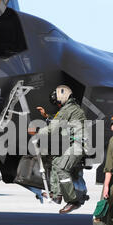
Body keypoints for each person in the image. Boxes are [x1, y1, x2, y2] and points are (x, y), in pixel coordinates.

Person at [33, 85, 87, 214]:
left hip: (78, 145)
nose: (57, 105)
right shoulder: (70, 108)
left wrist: (37, 131)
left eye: (57, 102)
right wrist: (46, 116)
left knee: (61, 167)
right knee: (56, 162)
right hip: (76, 144)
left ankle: (73, 201)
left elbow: (53, 128)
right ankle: (56, 195)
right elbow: (59, 121)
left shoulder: (68, 109)